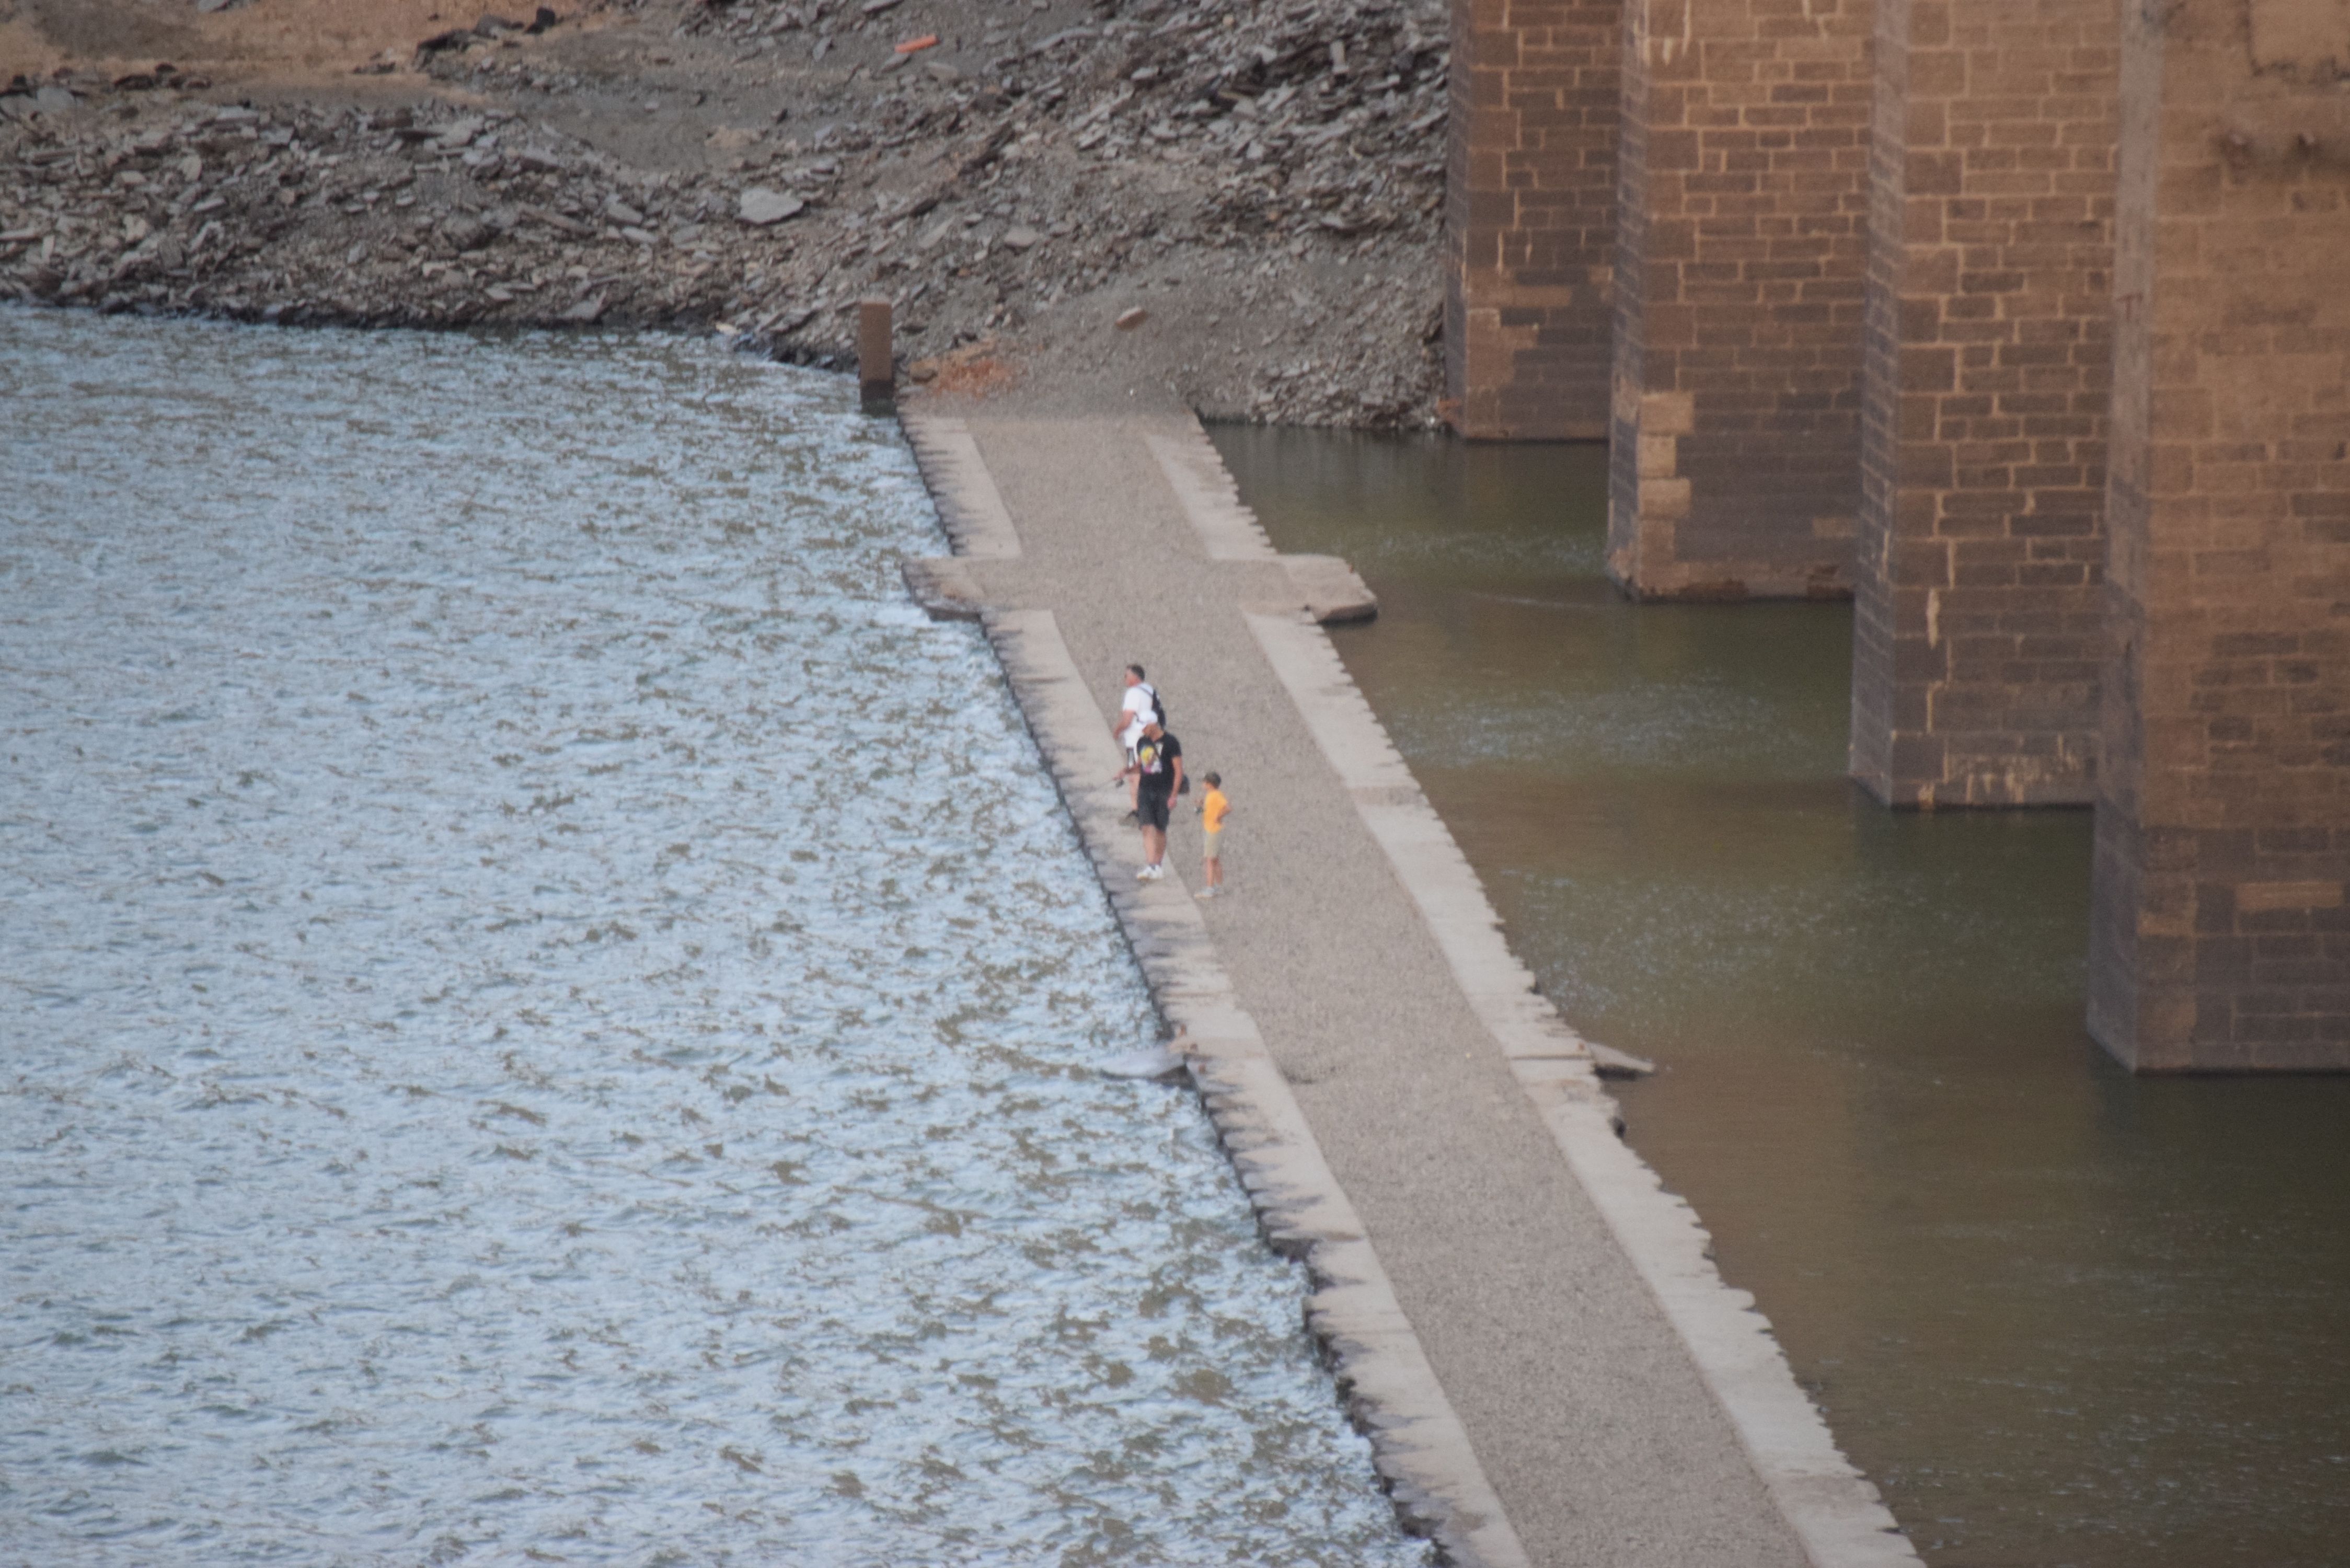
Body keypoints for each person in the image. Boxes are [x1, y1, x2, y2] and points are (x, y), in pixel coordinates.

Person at [1130, 717, 1183, 881]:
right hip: (1145, 789)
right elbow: (1140, 765)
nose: (1143, 730)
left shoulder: (1171, 742)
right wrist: (1126, 771)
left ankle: (1157, 866)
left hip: (1164, 790)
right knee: (1146, 827)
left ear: (1152, 724)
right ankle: (1151, 865)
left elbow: (1179, 771)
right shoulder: (1142, 742)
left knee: (1160, 828)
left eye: (1144, 726)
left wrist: (1174, 795)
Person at [1109, 664, 1160, 824]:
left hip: (1135, 740)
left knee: (1134, 776)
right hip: (1151, 737)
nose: (1124, 679)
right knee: (1150, 771)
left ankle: (1138, 811)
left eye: (1126, 676)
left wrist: (1117, 731)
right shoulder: (1150, 690)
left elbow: (1127, 720)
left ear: (1135, 678)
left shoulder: (1132, 693)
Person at [1195, 771, 1229, 900]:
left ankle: (1209, 889)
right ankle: (1219, 886)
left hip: (1213, 830)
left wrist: (1218, 817)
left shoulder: (1215, 795)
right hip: (1212, 829)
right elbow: (1207, 809)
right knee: (1215, 859)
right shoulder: (1211, 796)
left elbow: (1228, 808)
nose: (1203, 785)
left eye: (1204, 782)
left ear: (1209, 784)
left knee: (1209, 859)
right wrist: (1201, 805)